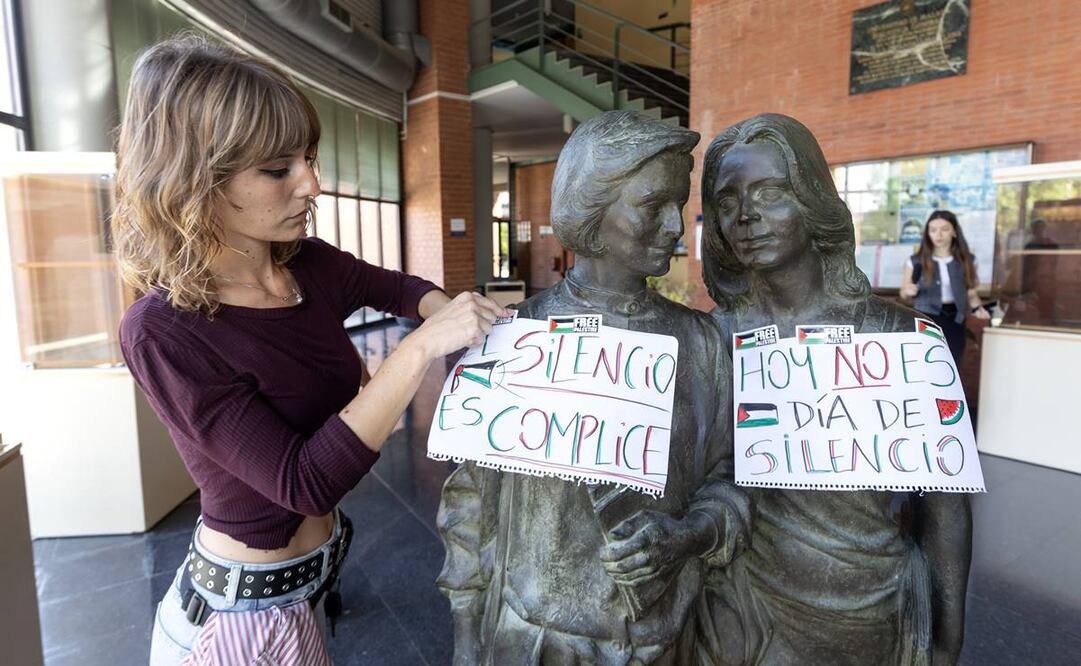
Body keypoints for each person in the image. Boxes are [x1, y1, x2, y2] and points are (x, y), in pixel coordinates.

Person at [112, 37, 505, 664]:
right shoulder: (163, 330)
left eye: (308, 158)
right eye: (278, 170)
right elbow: (303, 483)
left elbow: (399, 287)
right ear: (194, 180)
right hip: (246, 618)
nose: (312, 184)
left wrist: (456, 315)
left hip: (310, 583)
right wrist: (421, 349)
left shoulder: (304, 263)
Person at [436, 111, 750, 665]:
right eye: (654, 206)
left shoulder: (701, 342)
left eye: (678, 204)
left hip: (657, 642)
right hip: (531, 641)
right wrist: (466, 637)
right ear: (591, 208)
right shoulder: (513, 337)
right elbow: (470, 507)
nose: (676, 226)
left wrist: (686, 535)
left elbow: (730, 483)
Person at [701, 113, 971, 665]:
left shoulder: (899, 333)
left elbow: (945, 501)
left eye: (770, 192)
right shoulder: (713, 337)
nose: (746, 216)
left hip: (868, 606)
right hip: (738, 605)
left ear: (813, 198)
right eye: (727, 202)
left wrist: (946, 635)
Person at [900, 210, 989, 364]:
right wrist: (908, 291)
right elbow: (904, 294)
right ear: (927, 234)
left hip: (955, 318)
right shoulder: (915, 261)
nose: (938, 235)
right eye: (933, 230)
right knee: (925, 363)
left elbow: (971, 292)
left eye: (944, 229)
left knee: (952, 362)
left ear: (954, 232)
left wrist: (979, 309)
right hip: (925, 317)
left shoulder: (967, 260)